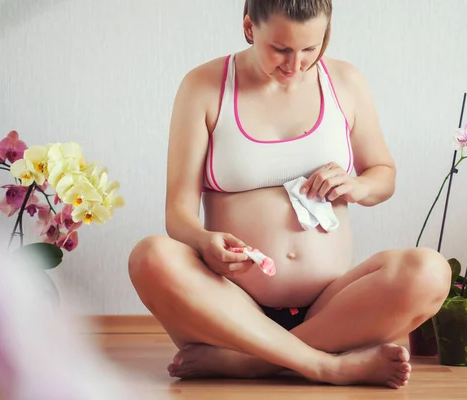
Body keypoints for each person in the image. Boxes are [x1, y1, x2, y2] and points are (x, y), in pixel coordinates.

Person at [128, 0, 450, 389]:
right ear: (249, 28)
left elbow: (384, 174)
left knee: (430, 271)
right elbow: (178, 211)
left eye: (311, 49)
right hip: (229, 306)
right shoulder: (203, 86)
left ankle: (250, 362)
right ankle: (325, 365)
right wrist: (203, 241)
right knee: (150, 256)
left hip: (331, 308)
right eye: (280, 49)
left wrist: (359, 185)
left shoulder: (346, 82)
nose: (295, 65)